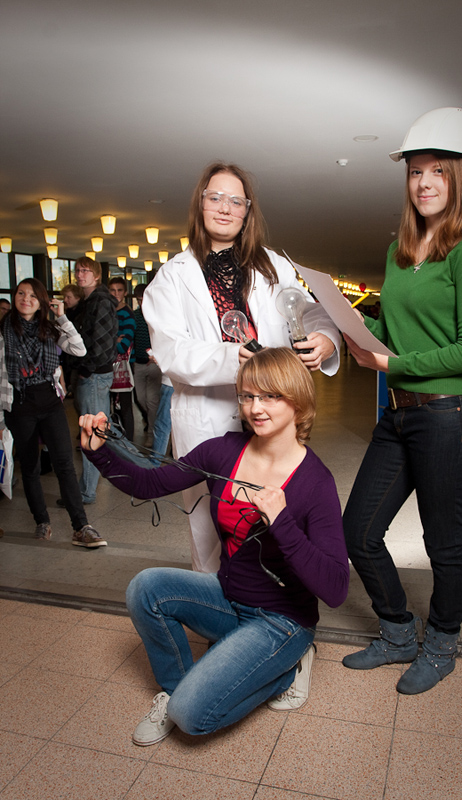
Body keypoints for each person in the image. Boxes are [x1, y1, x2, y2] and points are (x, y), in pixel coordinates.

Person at [79, 347, 349, 741]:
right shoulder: (224, 450)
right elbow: (150, 484)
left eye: (270, 396)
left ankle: (285, 670)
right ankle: (175, 689)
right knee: (146, 588)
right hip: (227, 598)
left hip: (281, 621)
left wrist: (282, 522)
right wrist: (99, 453)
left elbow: (336, 589)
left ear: (298, 399)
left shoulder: (316, 482)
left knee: (192, 717)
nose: (255, 408)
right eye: (247, 396)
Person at [341, 107, 462, 694]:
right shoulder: (401, 250)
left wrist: (391, 365)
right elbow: (393, 325)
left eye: (438, 171)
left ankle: (442, 645)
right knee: (358, 530)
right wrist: (343, 322)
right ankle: (398, 632)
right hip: (400, 415)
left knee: (443, 542)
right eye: (415, 172)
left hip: (450, 417)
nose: (424, 182)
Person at [142, 161, 341, 573]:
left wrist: (325, 338)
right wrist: (231, 358)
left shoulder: (273, 266)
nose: (225, 208)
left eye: (236, 201)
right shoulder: (173, 276)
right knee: (209, 534)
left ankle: (268, 607)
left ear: (248, 211)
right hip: (208, 417)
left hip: (271, 414)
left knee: (276, 520)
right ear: (200, 204)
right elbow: (170, 350)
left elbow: (310, 312)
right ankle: (214, 608)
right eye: (215, 197)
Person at [0, 278, 106, 546]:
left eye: (33, 296)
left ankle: (81, 526)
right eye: (21, 294)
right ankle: (41, 521)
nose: (26, 299)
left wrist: (62, 318)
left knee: (65, 464)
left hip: (50, 404)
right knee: (30, 467)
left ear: (42, 302)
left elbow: (79, 349)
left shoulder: (50, 329)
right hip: (19, 406)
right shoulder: (3, 331)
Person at [72, 256, 118, 510]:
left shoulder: (100, 301)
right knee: (99, 429)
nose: (80, 274)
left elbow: (100, 345)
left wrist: (85, 370)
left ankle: (87, 491)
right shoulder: (89, 301)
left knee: (92, 432)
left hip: (95, 374)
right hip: (93, 373)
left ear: (96, 275)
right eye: (78, 270)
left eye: (85, 271)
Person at [132, 284, 161, 441]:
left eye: (144, 299)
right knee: (140, 398)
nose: (142, 303)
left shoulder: (158, 316)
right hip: (139, 363)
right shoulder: (135, 316)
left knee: (152, 401)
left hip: (154, 363)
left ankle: (151, 434)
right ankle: (151, 422)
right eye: (139, 300)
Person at [108, 276, 136, 440]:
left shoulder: (128, 315)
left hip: (125, 366)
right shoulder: (109, 312)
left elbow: (123, 346)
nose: (116, 294)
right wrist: (114, 339)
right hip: (109, 366)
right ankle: (118, 442)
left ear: (125, 293)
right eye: (112, 290)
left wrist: (109, 341)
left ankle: (129, 444)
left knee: (124, 407)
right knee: (113, 408)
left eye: (119, 290)